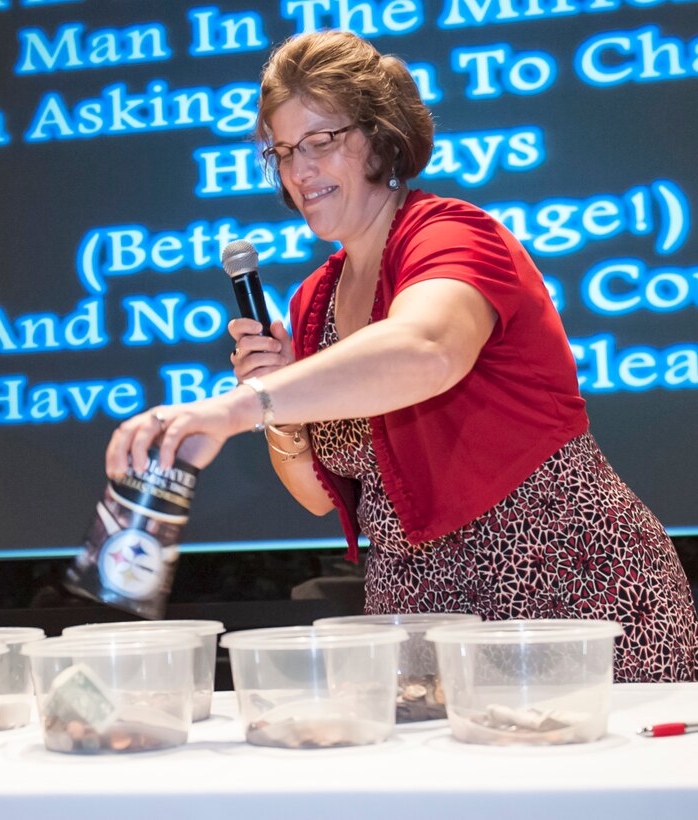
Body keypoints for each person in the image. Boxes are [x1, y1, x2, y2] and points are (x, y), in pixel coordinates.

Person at [106, 30, 697, 683]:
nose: (299, 171)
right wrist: (278, 410)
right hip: (419, 616)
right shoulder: (313, 302)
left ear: (382, 138)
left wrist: (240, 405)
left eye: (320, 142)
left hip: (566, 595)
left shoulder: (454, 235)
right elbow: (315, 495)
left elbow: (426, 351)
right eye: (282, 151)